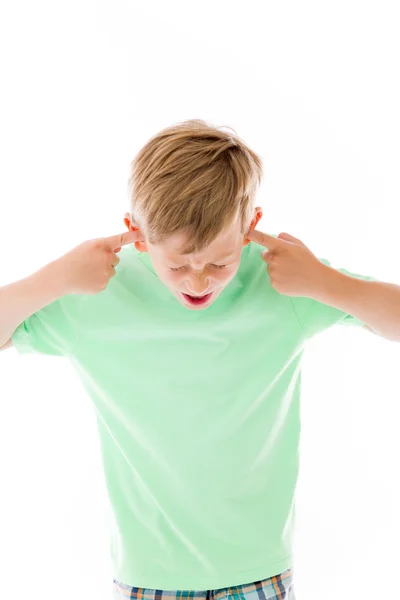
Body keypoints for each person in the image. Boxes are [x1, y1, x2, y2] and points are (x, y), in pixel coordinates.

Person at [1, 119, 398, 600]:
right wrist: (54, 279)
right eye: (178, 264)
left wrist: (326, 283)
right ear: (136, 233)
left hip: (259, 573)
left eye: (218, 262)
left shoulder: (285, 284)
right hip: (148, 578)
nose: (197, 281)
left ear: (251, 226)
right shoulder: (95, 293)